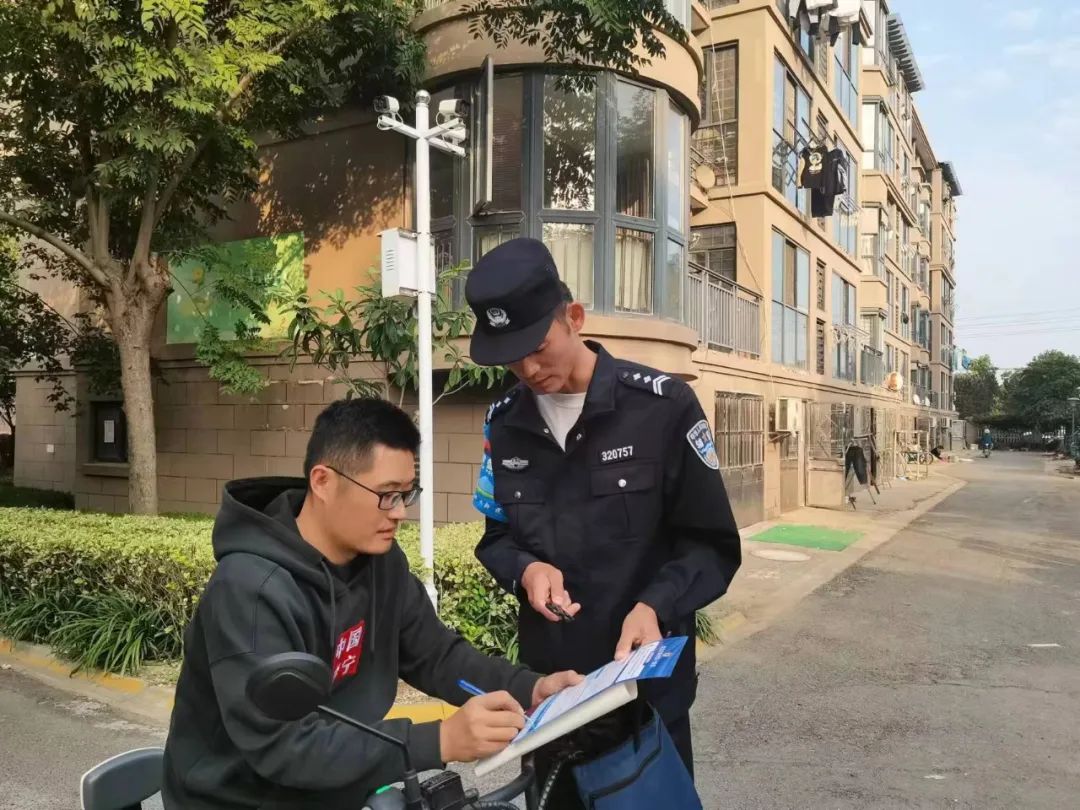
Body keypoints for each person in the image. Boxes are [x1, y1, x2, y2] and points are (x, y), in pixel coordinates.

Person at [162, 398, 582, 809]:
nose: (399, 513)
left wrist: (530, 689)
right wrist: (438, 740)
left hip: (337, 787)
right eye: (386, 495)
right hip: (236, 797)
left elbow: (435, 655)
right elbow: (283, 746)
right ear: (323, 481)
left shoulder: (380, 562)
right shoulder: (250, 589)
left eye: (406, 495)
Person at [465, 238, 742, 800]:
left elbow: (711, 546)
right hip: (553, 701)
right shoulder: (504, 424)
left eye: (538, 347)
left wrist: (654, 605)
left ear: (574, 317)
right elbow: (496, 538)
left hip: (645, 703)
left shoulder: (662, 408)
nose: (527, 369)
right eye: (511, 356)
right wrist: (526, 570)